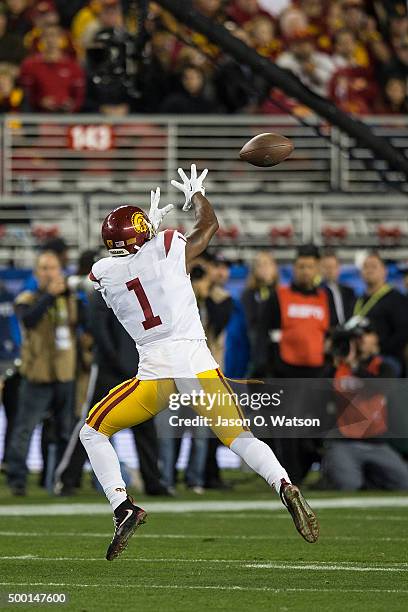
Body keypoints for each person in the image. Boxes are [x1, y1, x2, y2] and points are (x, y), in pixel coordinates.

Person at [79, 167, 319, 561]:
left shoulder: (103, 273)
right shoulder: (167, 248)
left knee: (93, 432)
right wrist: (197, 195)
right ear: (146, 235)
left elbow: (127, 263)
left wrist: (145, 235)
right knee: (240, 437)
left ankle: (122, 506)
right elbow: (208, 227)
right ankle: (284, 485)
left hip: (154, 376)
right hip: (196, 364)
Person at [6, 251, 79, 495]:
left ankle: (60, 481)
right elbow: (28, 320)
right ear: (37, 273)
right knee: (24, 428)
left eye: (53, 268)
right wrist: (49, 295)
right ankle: (17, 480)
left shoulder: (68, 299)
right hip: (37, 374)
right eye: (44, 268)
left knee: (64, 430)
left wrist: (67, 294)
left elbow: (84, 322)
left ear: (60, 271)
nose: (49, 273)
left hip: (65, 373)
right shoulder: (27, 297)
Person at [323, 325, 408, 490]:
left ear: (375, 339)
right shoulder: (335, 368)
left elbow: (379, 388)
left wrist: (353, 365)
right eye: (355, 338)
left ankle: (371, 477)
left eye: (364, 335)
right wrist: (330, 355)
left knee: (404, 483)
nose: (359, 341)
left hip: (376, 443)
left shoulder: (383, 366)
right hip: (344, 443)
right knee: (348, 485)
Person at [355, 252, 408, 374]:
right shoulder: (357, 300)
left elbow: (403, 332)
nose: (369, 270)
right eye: (365, 267)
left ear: (385, 271)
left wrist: (378, 348)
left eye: (373, 266)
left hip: (387, 357)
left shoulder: (397, 299)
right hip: (359, 357)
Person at [19, 23, 85, 112]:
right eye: (47, 36)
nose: (51, 40)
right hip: (38, 116)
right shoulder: (29, 65)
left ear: (62, 39)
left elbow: (80, 94)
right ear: (41, 40)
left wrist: (72, 104)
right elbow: (25, 93)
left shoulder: (73, 66)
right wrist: (39, 101)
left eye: (54, 36)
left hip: (66, 117)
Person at [320, 249, 356, 326]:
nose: (330, 270)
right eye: (326, 267)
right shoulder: (317, 291)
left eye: (332, 267)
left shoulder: (349, 291)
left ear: (338, 268)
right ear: (320, 268)